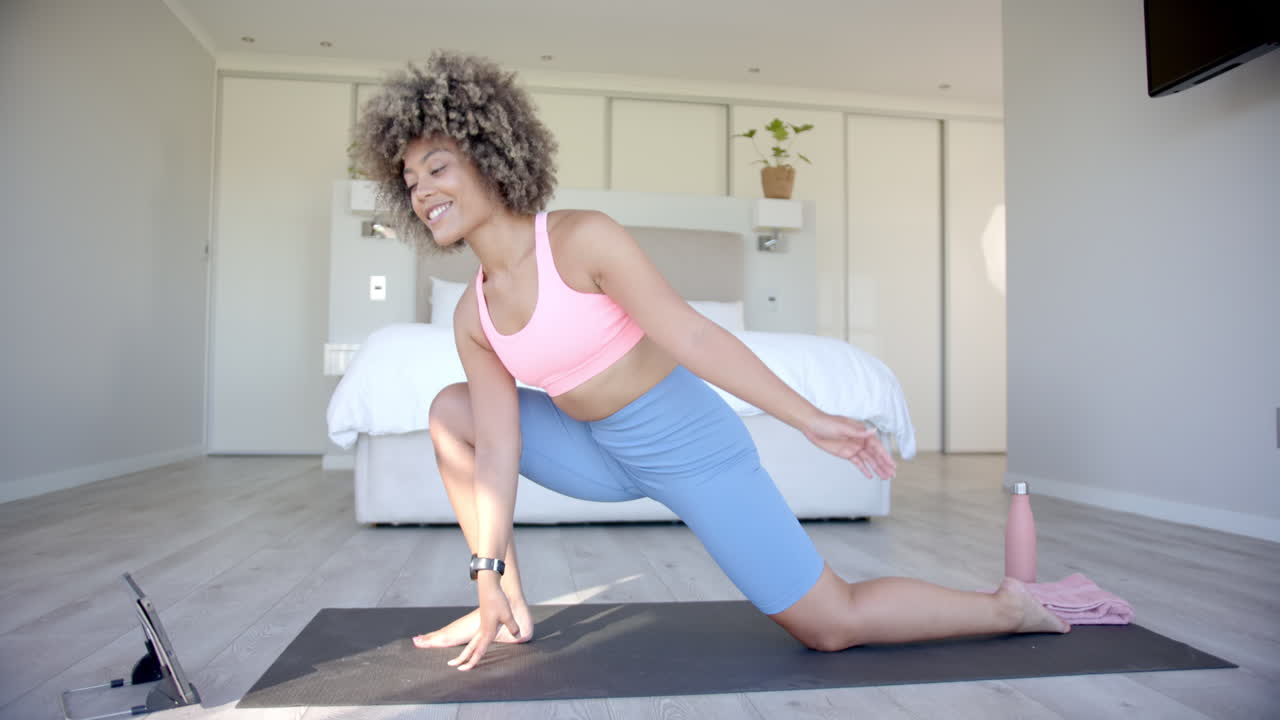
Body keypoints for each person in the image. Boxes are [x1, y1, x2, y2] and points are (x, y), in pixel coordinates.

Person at [351, 51, 1069, 672]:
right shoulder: (471, 312)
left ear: (489, 154)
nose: (423, 192)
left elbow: (693, 337)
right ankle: (503, 609)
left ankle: (1007, 607)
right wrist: (487, 573)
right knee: (452, 408)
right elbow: (498, 442)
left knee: (830, 625)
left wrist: (812, 420)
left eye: (437, 167)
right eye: (411, 181)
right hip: (598, 453)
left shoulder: (581, 239)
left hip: (693, 449)